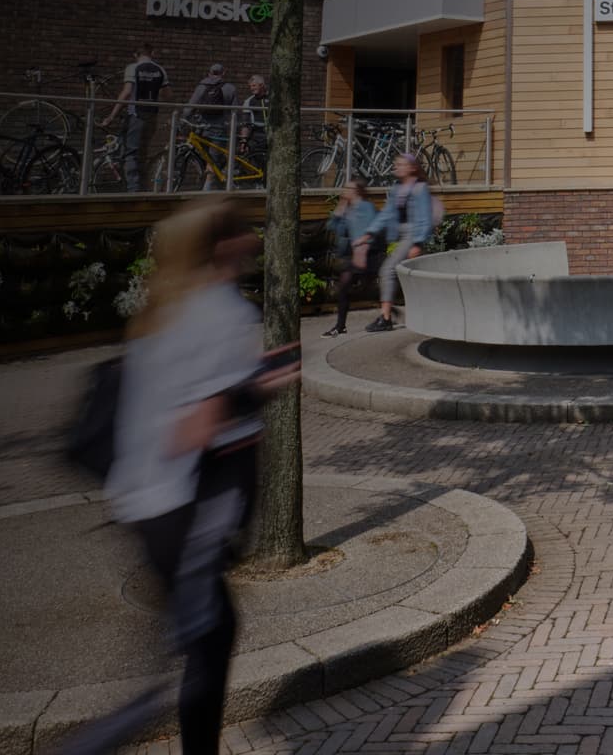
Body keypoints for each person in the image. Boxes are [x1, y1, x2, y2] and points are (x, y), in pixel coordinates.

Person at [80, 198, 300, 755]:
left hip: (142, 505)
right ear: (222, 246)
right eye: (245, 231)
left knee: (201, 636)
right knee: (202, 643)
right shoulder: (224, 313)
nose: (254, 240)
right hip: (185, 509)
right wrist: (259, 387)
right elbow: (194, 427)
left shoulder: (163, 309)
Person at [359, 154, 433, 332]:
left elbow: (425, 218)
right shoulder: (397, 189)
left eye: (401, 164)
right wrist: (369, 233)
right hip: (398, 233)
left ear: (412, 168)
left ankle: (386, 318)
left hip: (412, 234)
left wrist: (418, 242)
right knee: (410, 276)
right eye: (396, 164)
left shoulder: (420, 189)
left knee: (388, 269)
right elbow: (386, 214)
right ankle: (423, 311)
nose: (397, 167)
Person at [100, 45, 169, 189]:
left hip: (136, 115)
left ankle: (133, 189)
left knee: (131, 152)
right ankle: (142, 186)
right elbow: (167, 95)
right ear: (153, 53)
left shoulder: (133, 67)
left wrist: (111, 116)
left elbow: (127, 92)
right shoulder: (160, 69)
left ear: (135, 55)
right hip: (152, 116)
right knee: (143, 151)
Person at [323, 177, 377, 337]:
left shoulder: (367, 207)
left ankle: (388, 312)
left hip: (370, 255)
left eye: (348, 189)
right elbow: (334, 228)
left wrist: (363, 248)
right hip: (355, 256)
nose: (344, 191)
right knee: (345, 288)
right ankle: (340, 326)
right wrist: (340, 208)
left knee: (365, 289)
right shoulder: (349, 210)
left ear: (357, 191)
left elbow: (372, 231)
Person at [183, 64, 239, 190]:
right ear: (223, 73)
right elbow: (235, 111)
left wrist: (183, 119)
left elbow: (189, 108)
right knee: (214, 160)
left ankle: (207, 187)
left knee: (204, 158)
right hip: (219, 129)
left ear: (209, 73)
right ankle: (207, 189)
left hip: (201, 128)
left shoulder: (201, 87)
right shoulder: (230, 88)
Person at [241, 74, 270, 159]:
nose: (251, 88)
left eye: (254, 86)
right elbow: (245, 123)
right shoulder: (249, 101)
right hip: (256, 136)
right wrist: (244, 142)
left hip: (272, 135)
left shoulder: (272, 98)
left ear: (261, 85)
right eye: (250, 86)